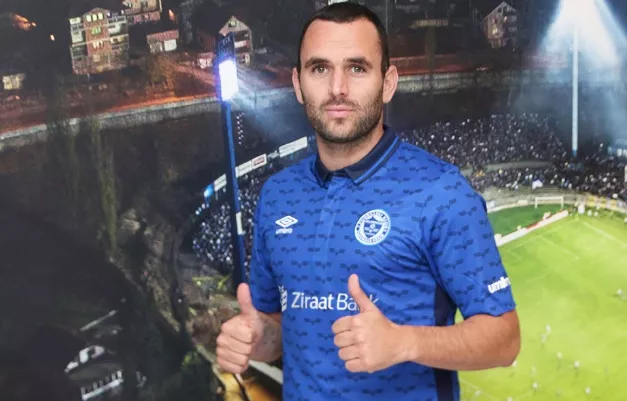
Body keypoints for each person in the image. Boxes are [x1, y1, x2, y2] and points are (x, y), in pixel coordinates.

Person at [216, 3, 521, 400]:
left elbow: (504, 339)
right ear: (298, 83)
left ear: (388, 82)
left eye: (357, 68)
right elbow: (277, 332)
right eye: (319, 69)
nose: (337, 88)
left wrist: (404, 342)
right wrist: (257, 338)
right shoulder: (278, 195)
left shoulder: (441, 191)